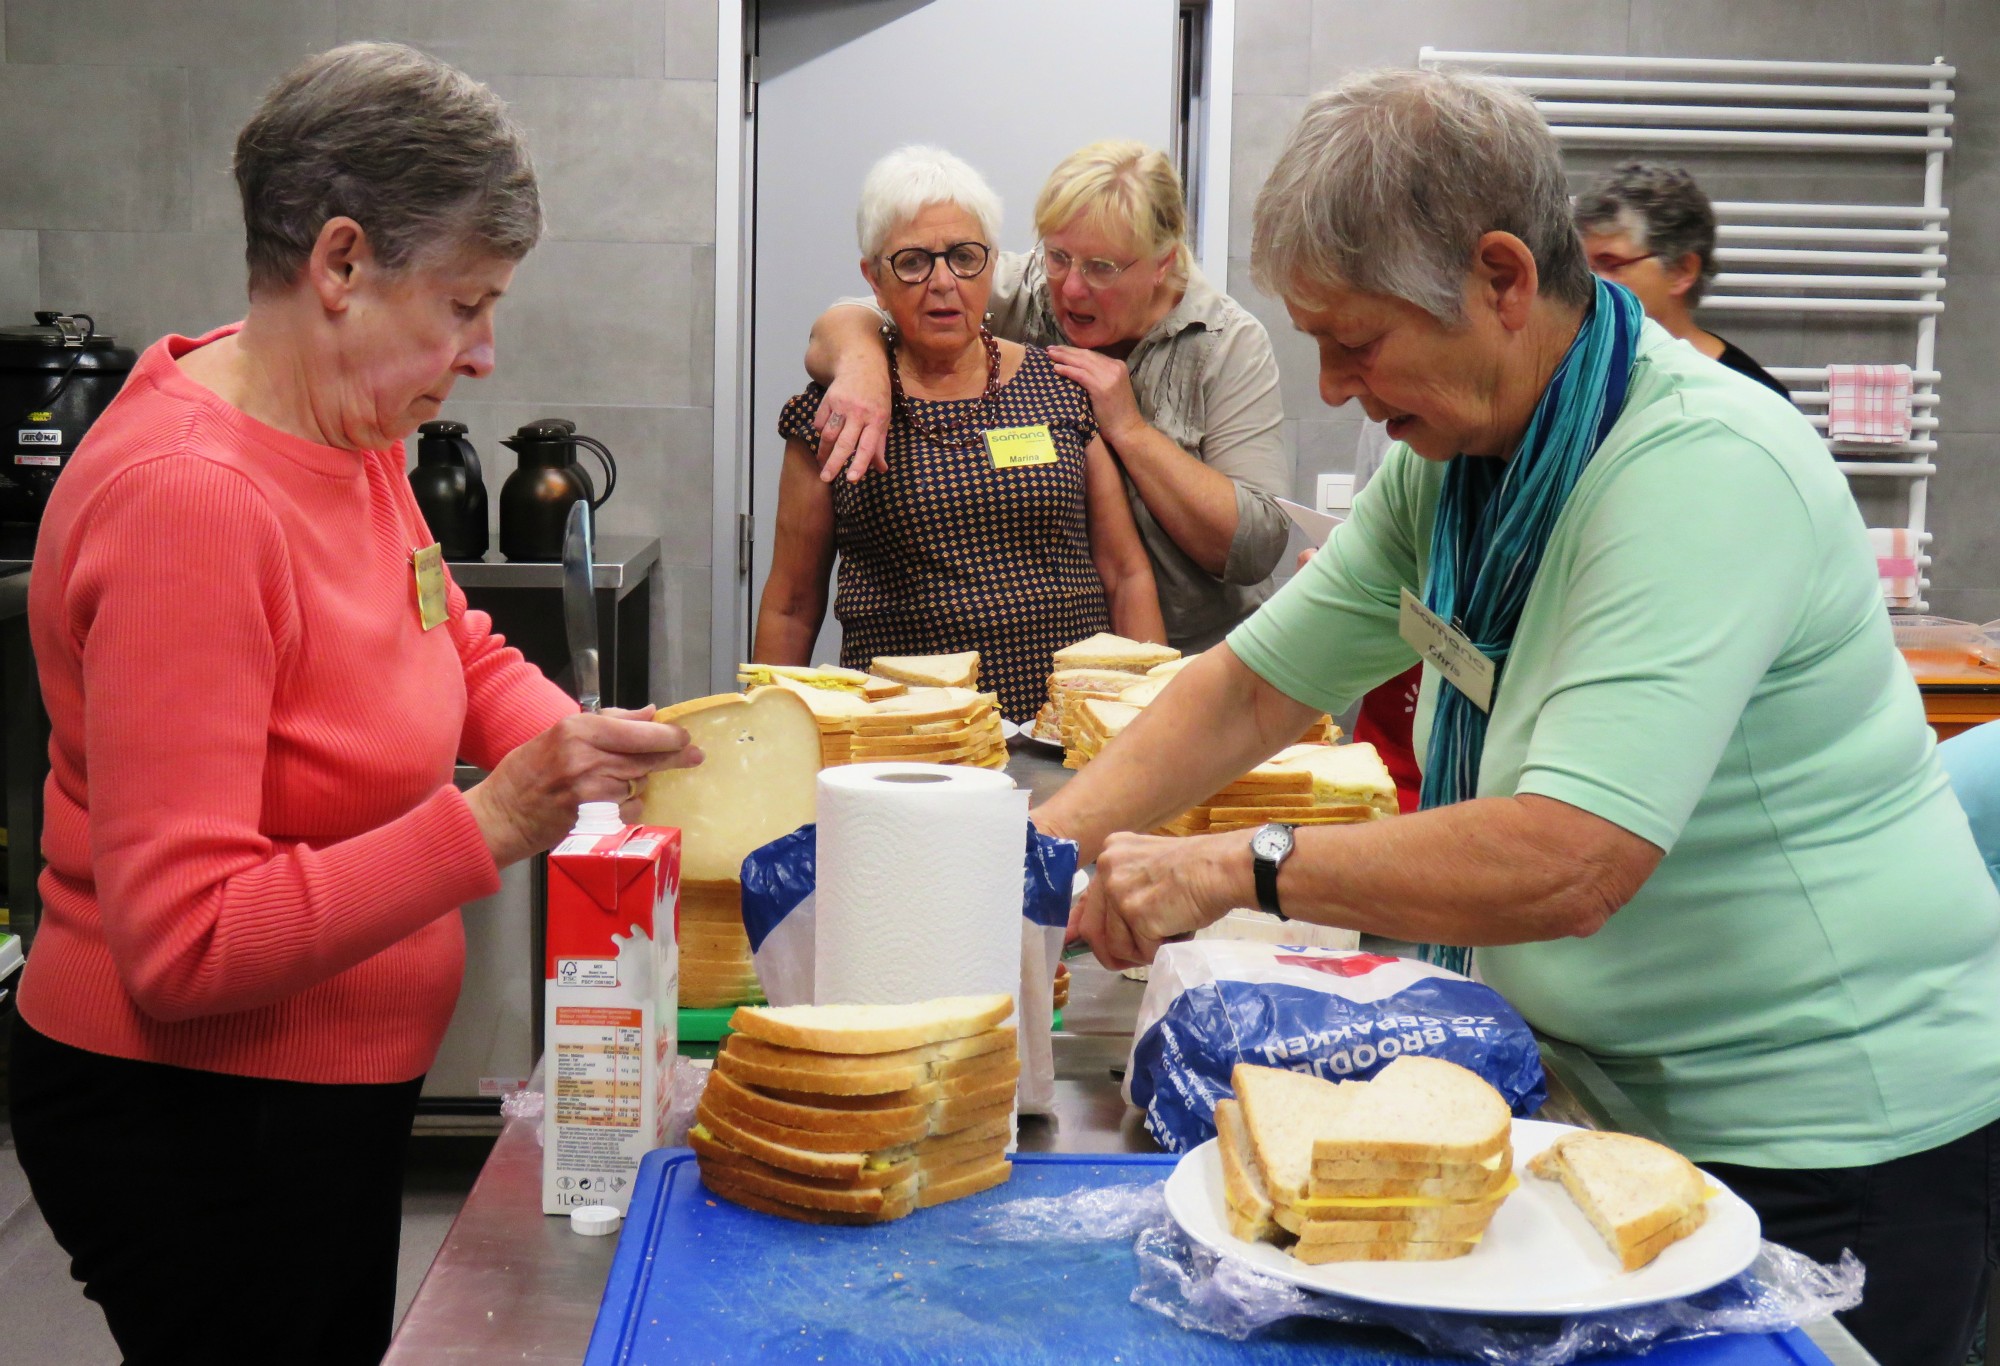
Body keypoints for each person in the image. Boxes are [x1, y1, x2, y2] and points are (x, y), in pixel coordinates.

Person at [1038, 68, 2000, 1366]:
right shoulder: (1459, 471)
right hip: (1616, 1100)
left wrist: (1236, 862)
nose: (1330, 386)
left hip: (1829, 1129)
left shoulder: (1702, 470)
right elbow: (1255, 682)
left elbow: (1574, 856)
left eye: (1356, 340)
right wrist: (1036, 855)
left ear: (1499, 279)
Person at [7, 44, 700, 1365]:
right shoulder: (191, 504)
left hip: (313, 1091)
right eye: (461, 304)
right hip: (197, 1119)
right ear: (339, 265)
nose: (485, 353)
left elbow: (455, 636)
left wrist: (570, 742)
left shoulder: (341, 425)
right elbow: (185, 941)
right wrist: (491, 820)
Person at [805, 141, 1290, 654]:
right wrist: (861, 368)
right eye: (1059, 256)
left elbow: (1255, 547)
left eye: (1102, 267)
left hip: (1201, 654)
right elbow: (867, 309)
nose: (1072, 289)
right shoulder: (1026, 286)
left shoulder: (1227, 342)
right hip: (1065, 658)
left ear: (1161, 264)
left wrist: (1130, 431)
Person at [754, 146, 1163, 721]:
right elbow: (793, 605)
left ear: (993, 264)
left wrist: (1146, 717)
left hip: (1064, 730)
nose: (943, 282)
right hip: (908, 736)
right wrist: (765, 738)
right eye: (914, 262)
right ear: (874, 277)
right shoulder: (839, 410)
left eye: (964, 257)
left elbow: (1126, 573)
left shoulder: (1062, 387)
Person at [1575, 161, 1790, 398]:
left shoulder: (1754, 397)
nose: (1590, 284)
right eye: (1584, 267)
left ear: (1681, 270)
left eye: (1611, 264)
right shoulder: (1574, 375)